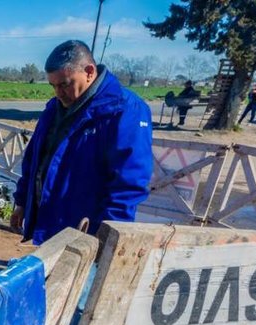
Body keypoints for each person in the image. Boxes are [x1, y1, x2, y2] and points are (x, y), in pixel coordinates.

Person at [10, 40, 153, 245]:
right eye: (53, 86)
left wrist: (107, 237)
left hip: (86, 230)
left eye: (64, 84)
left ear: (89, 71)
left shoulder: (124, 110)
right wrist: (23, 202)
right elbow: (34, 158)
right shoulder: (54, 108)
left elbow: (129, 183)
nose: (58, 93)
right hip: (50, 221)